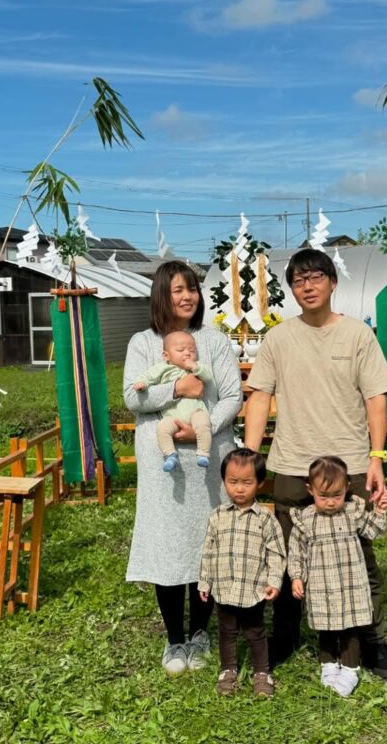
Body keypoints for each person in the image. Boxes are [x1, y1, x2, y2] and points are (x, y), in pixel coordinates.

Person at [243, 247, 387, 679]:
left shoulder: (357, 336)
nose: (307, 286)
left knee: (359, 557)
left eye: (315, 277)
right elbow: (259, 397)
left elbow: (375, 399)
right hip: (292, 464)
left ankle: (372, 640)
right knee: (290, 554)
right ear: (291, 289)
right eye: (297, 280)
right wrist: (253, 459)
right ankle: (287, 634)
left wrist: (376, 457)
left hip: (348, 464)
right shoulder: (278, 338)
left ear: (332, 282)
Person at [125, 261, 243, 677]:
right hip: (164, 459)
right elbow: (133, 398)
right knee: (168, 542)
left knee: (205, 541)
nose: (187, 296)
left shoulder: (215, 341)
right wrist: (177, 387)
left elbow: (232, 395)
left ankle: (200, 633)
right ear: (162, 294)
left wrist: (205, 424)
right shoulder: (143, 342)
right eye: (177, 289)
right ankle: (174, 637)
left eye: (192, 288)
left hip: (208, 455)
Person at [289, 455, 387, 697]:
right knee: (325, 626)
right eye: (323, 496)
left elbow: (373, 531)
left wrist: (379, 510)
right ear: (310, 490)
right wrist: (296, 577)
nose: (331, 502)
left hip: (350, 583)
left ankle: (349, 667)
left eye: (337, 495)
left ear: (346, 488)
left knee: (349, 627)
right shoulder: (305, 520)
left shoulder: (352, 512)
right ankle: (328, 664)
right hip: (321, 584)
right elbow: (296, 552)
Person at [198, 448, 286, 698]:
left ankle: (262, 672)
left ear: (259, 483)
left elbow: (277, 554)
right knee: (226, 632)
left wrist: (274, 581)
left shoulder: (266, 519)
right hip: (224, 588)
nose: (239, 489)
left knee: (255, 632)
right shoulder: (217, 517)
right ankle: (228, 670)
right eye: (232, 482)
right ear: (224, 481)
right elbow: (208, 551)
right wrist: (204, 582)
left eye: (247, 482)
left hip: (253, 589)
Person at [133, 330, 214, 471]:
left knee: (203, 424)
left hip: (196, 411)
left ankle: (203, 453)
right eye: (181, 350)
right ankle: (170, 454)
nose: (187, 353)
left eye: (192, 350)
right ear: (166, 356)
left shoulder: (196, 368)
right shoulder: (162, 369)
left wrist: (195, 367)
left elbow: (208, 377)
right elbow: (148, 377)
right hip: (172, 416)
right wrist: (142, 384)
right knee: (162, 428)